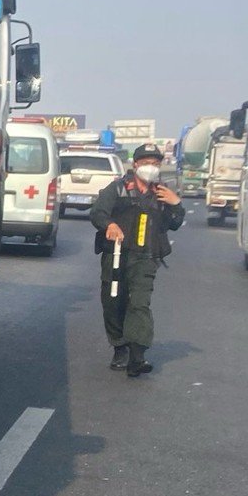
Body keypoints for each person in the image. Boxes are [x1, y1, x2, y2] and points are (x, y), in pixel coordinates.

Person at [89, 142, 184, 377]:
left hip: (146, 257)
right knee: (113, 302)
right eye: (146, 163)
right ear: (135, 165)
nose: (151, 167)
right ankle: (119, 346)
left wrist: (176, 204)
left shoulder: (162, 193)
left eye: (155, 163)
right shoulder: (118, 189)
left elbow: (174, 223)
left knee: (139, 303)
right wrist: (109, 225)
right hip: (117, 255)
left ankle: (137, 356)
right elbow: (98, 212)